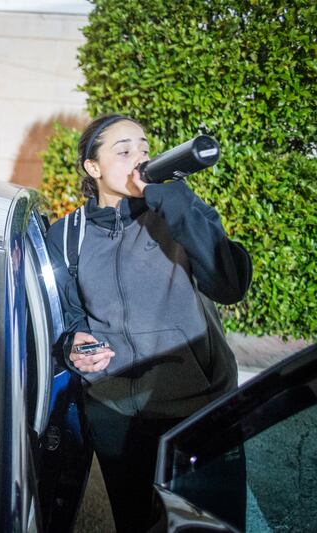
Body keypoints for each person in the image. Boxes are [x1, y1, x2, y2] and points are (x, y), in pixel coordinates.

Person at [46, 114, 252, 532]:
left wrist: (176, 200)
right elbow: (65, 316)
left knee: (210, 526)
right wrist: (72, 344)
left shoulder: (174, 214)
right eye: (123, 151)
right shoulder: (66, 235)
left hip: (197, 411)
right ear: (93, 167)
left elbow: (229, 284)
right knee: (137, 524)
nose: (139, 158)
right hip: (115, 414)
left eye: (143, 148)